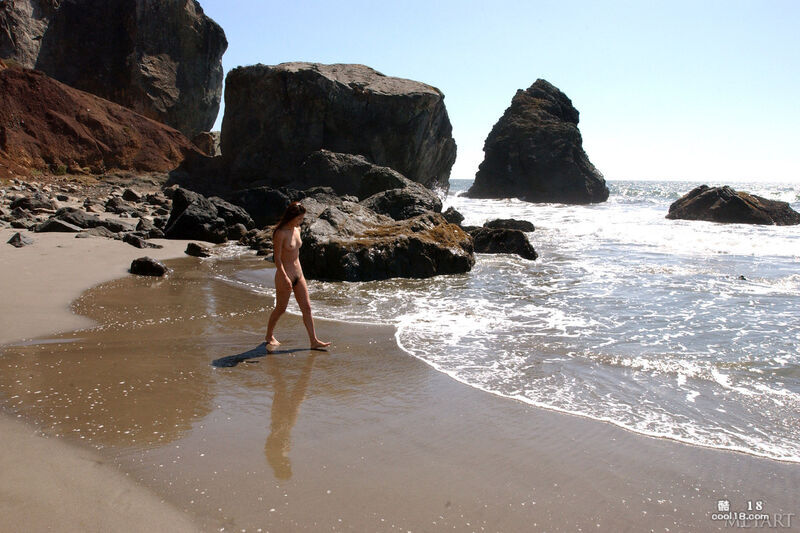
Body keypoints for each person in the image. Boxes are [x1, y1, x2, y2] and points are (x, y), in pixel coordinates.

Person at [265, 202, 331, 350]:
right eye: (299, 218)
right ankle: (269, 336)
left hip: (299, 275)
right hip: (285, 275)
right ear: (291, 216)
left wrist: (300, 274)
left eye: (302, 219)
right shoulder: (280, 233)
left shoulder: (297, 229)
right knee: (281, 309)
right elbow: (277, 258)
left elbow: (296, 254)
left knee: (307, 308)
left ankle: (313, 341)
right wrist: (284, 277)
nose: (300, 221)